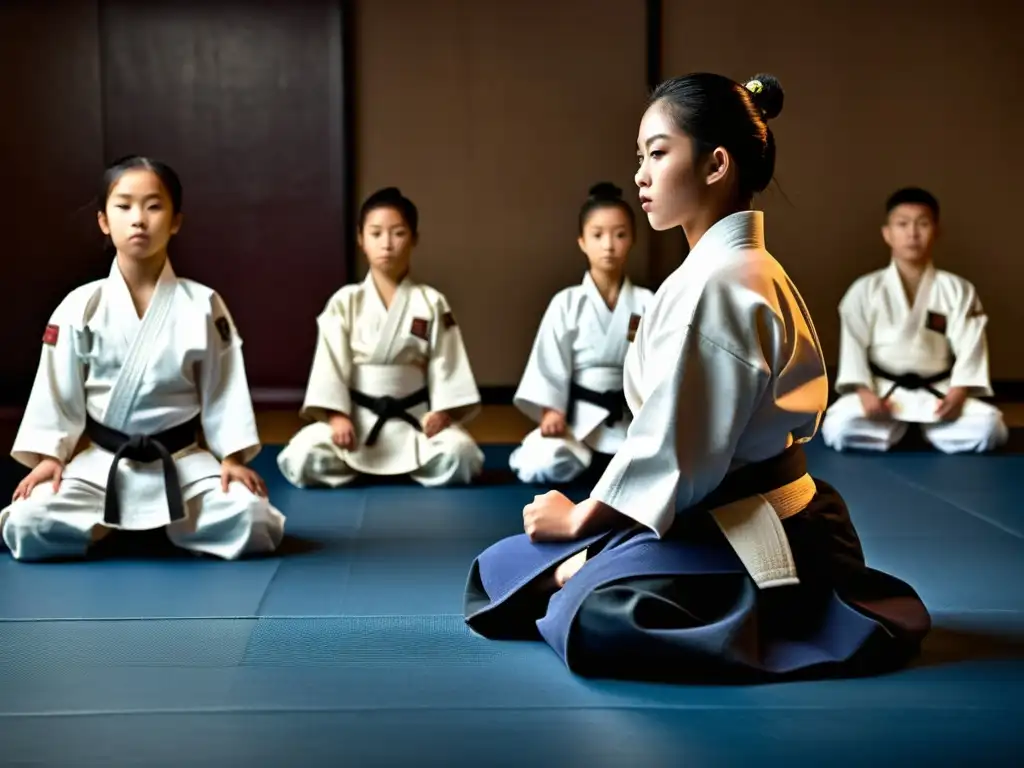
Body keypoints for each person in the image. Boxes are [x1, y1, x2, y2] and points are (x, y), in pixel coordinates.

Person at [462, 73, 931, 683]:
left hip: (759, 527)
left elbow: (673, 453)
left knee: (590, 613)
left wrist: (582, 521)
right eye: (640, 158)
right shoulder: (725, 269)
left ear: (715, 165)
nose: (640, 176)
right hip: (718, 507)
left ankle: (614, 574)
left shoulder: (724, 282)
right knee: (505, 566)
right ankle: (600, 564)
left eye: (657, 153)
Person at [0, 156, 286, 562]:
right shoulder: (79, 306)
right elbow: (57, 391)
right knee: (28, 522)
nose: (139, 219)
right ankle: (124, 523)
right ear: (103, 220)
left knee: (253, 519)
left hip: (182, 462)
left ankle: (130, 525)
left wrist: (232, 457)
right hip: (102, 465)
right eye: (124, 206)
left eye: (153, 206)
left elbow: (224, 390)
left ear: (175, 221)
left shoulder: (203, 303)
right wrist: (51, 457)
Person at [277, 187, 484, 488]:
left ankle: (384, 466)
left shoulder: (431, 302)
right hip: (356, 425)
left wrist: (443, 411)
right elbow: (329, 365)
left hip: (415, 423)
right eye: (376, 234)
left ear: (414, 238)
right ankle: (372, 462)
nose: (387, 244)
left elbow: (447, 364)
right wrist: (337, 417)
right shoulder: (345, 301)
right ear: (361, 239)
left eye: (398, 233)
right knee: (302, 455)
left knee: (462, 454)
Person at [820, 187, 1007, 453]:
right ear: (887, 233)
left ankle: (916, 432)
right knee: (838, 428)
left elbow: (971, 345)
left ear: (937, 231)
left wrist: (959, 392)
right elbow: (853, 347)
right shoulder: (864, 289)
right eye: (902, 224)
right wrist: (865, 393)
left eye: (923, 223)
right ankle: (923, 433)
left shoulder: (958, 289)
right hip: (883, 394)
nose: (913, 233)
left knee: (991, 428)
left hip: (938, 393)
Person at [509, 182, 653, 485]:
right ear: (581, 241)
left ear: (633, 239)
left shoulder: (647, 302)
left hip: (632, 421)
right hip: (578, 423)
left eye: (620, 234)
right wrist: (551, 411)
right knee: (541, 461)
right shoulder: (567, 302)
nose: (609, 245)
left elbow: (660, 368)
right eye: (597, 235)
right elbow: (549, 364)